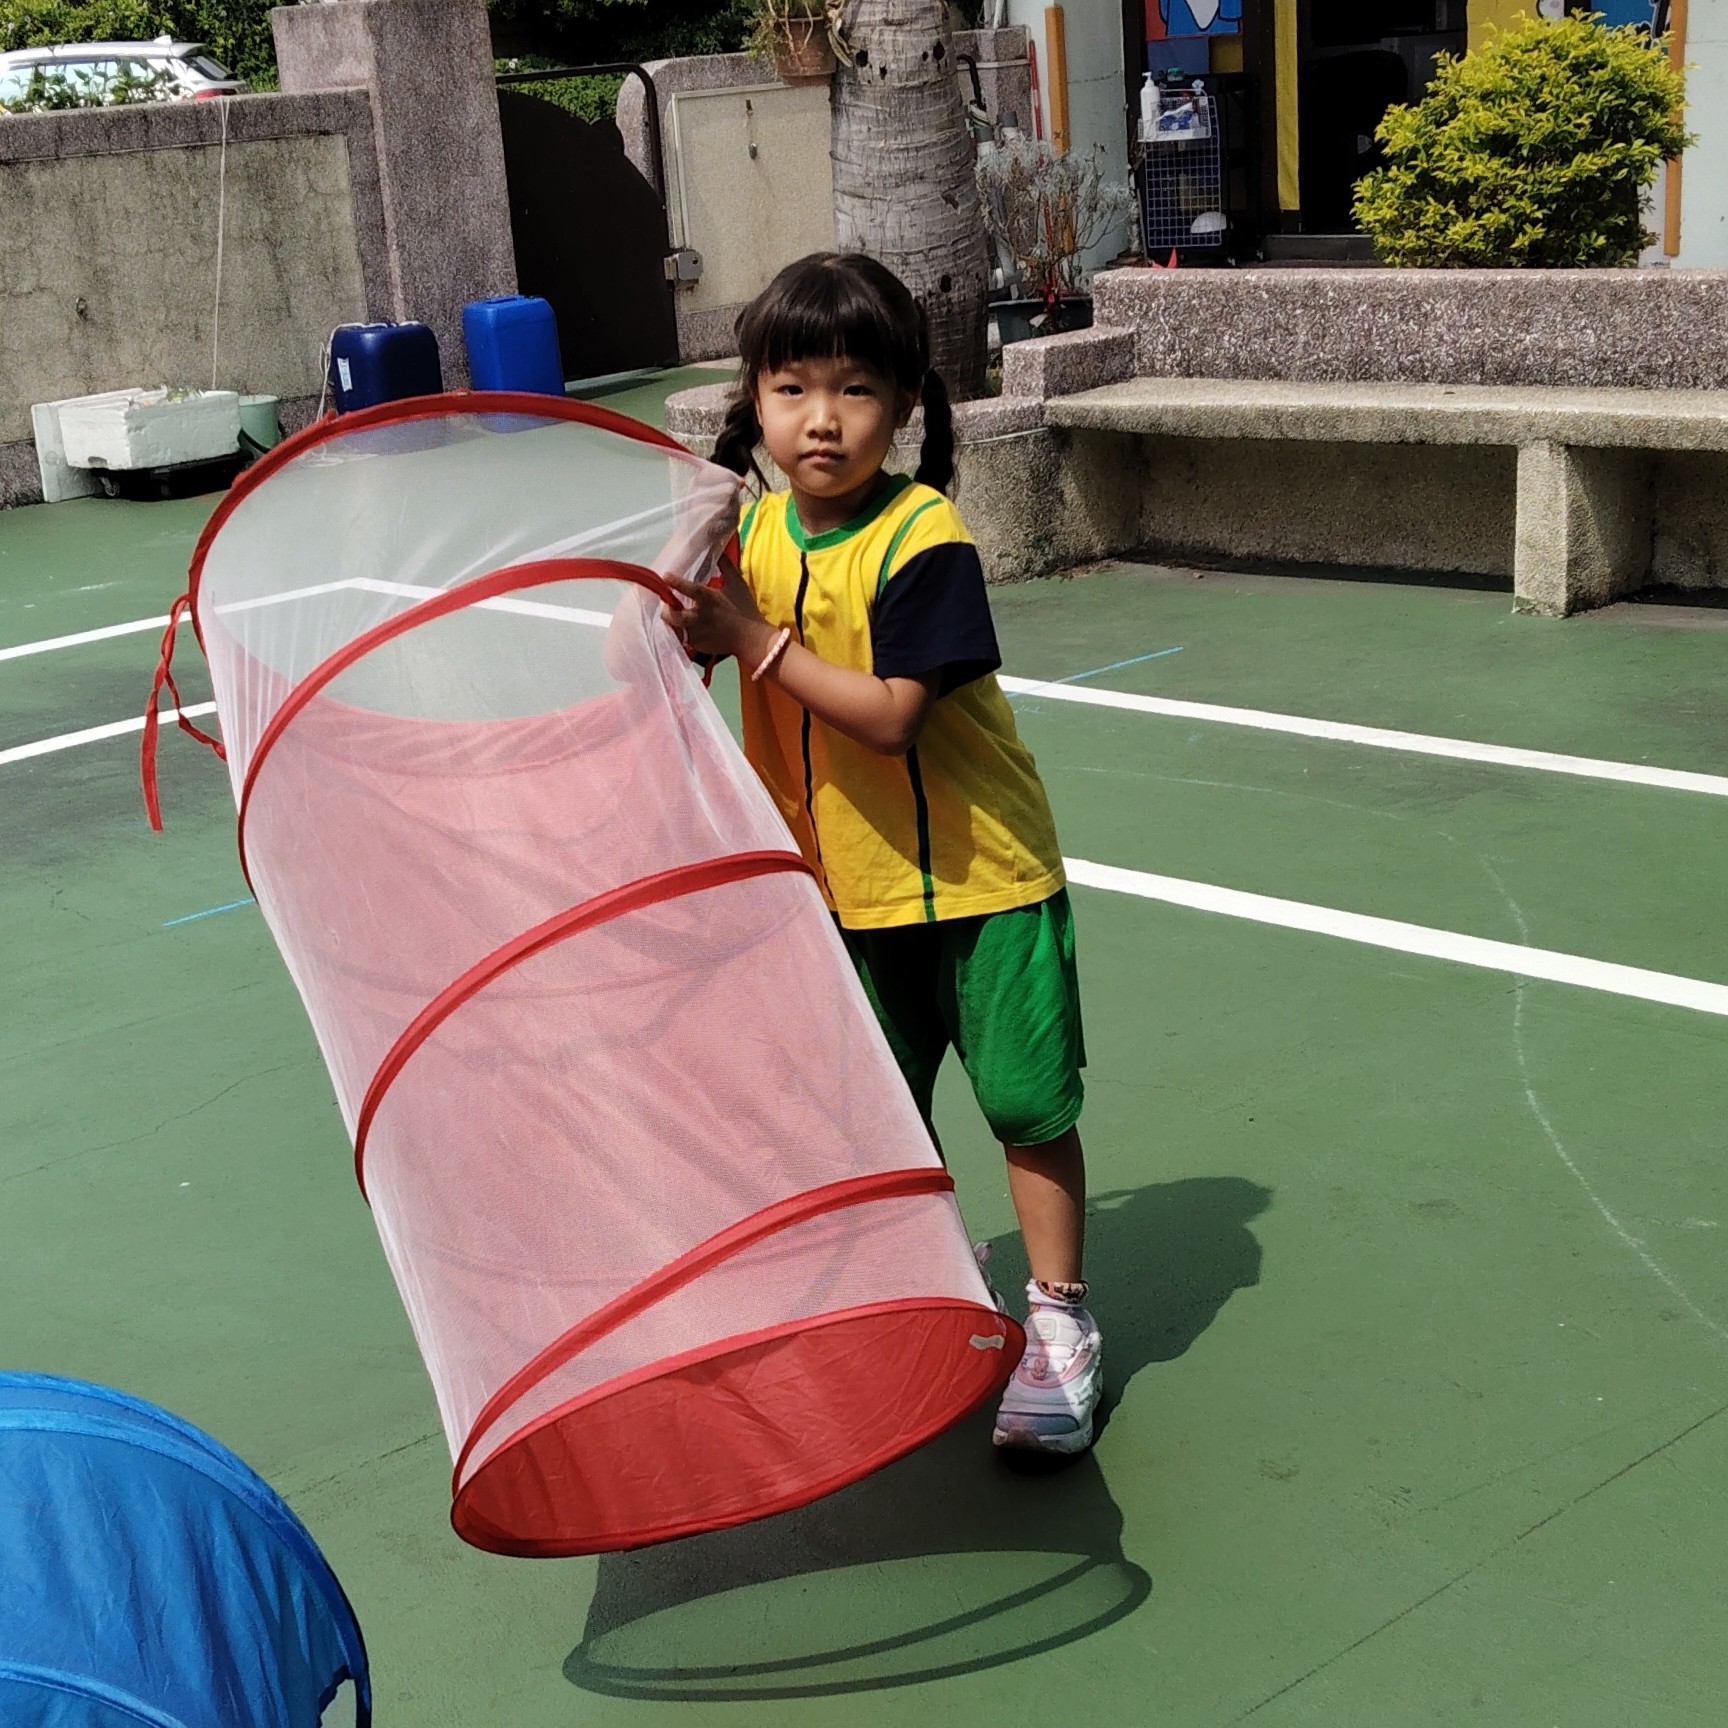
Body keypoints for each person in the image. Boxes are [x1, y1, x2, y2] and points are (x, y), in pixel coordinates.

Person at [661, 251, 1102, 1455]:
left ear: (905, 403)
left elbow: (895, 716)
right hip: (839, 899)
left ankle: (1060, 1322)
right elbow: (647, 662)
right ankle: (936, 1282)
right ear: (754, 401)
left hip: (981, 880)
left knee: (1024, 1105)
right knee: (875, 1122)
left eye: (854, 389)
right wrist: (674, 569)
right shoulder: (747, 538)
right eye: (792, 388)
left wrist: (749, 638)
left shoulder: (924, 535)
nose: (822, 418)